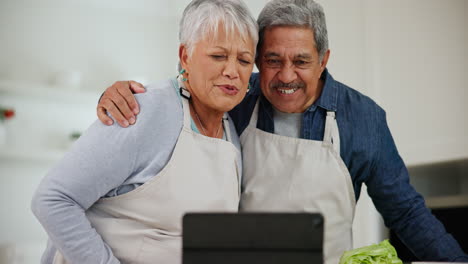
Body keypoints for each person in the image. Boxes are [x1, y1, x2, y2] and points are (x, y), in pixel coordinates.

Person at [96, 0, 468, 263]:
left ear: (323, 60)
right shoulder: (238, 99)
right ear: (258, 59)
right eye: (273, 61)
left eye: (301, 61)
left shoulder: (363, 118)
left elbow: (405, 212)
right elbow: (187, 85)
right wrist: (124, 93)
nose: (286, 76)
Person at [31, 0, 258, 263]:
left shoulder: (231, 130)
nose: (232, 71)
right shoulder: (147, 110)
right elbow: (53, 199)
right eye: (218, 56)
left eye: (244, 60)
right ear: (185, 56)